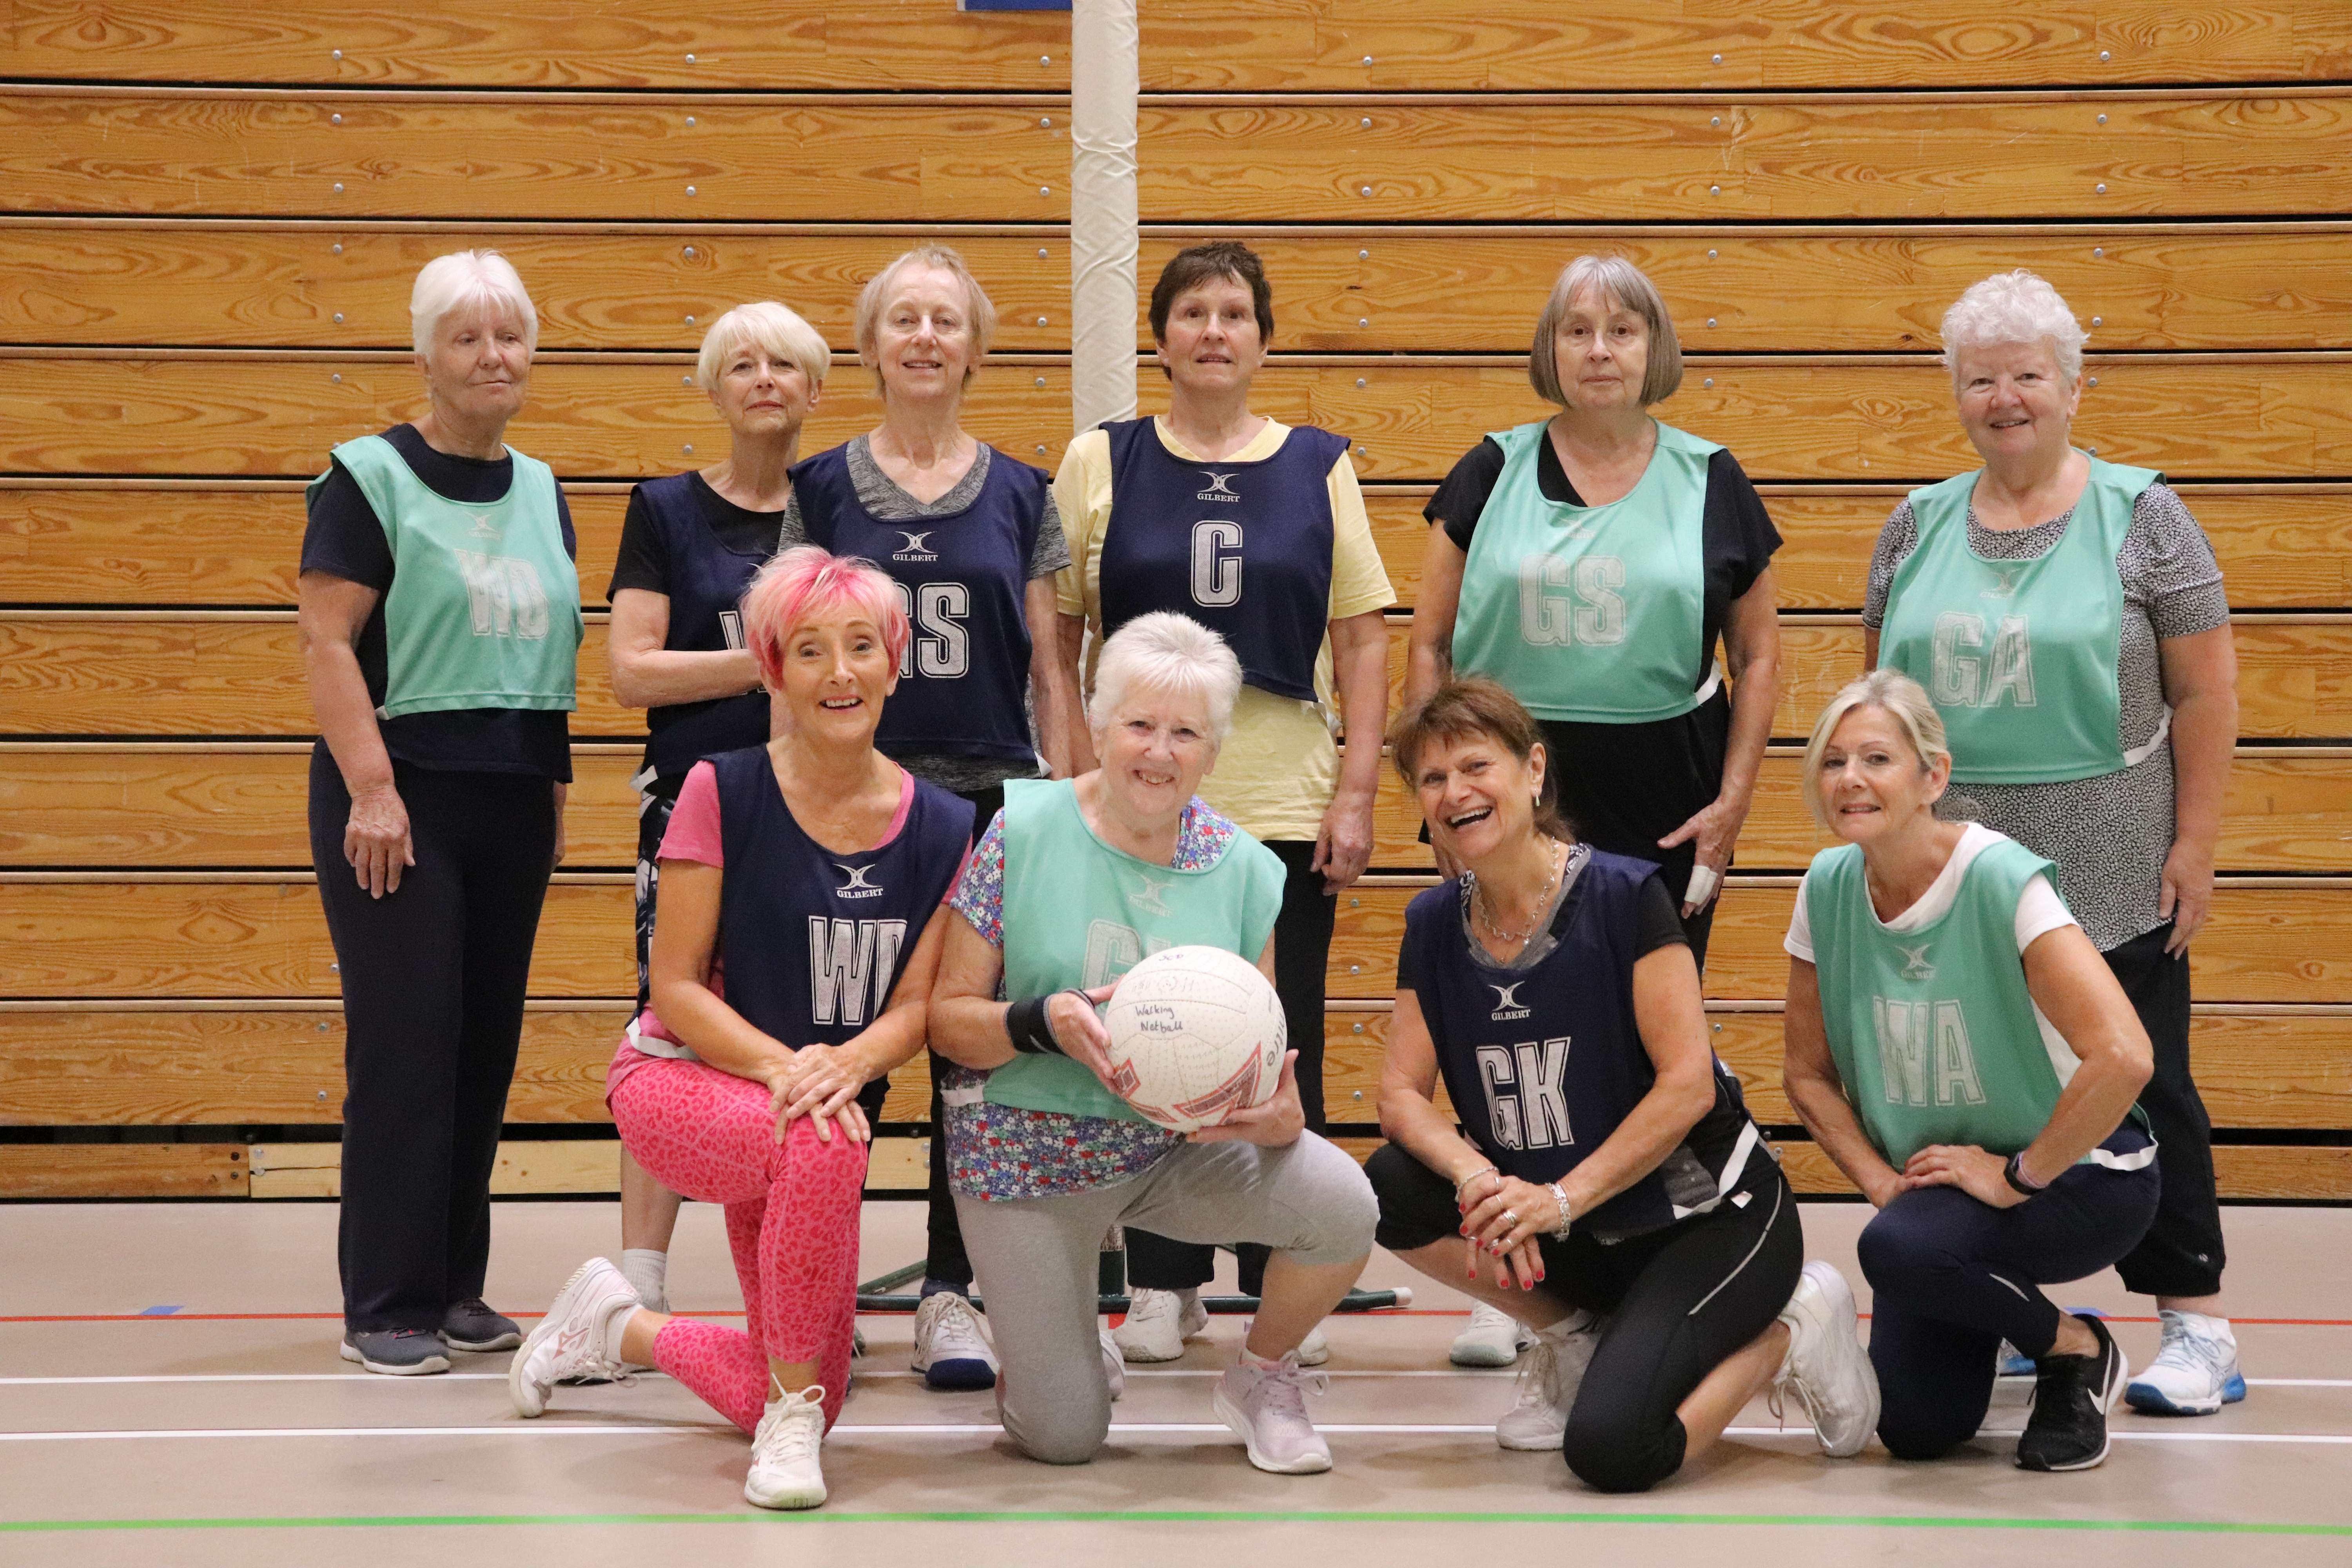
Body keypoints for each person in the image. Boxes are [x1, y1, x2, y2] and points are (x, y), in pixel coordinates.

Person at [508, 548, 974, 1510]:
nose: (838, 672)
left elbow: (919, 1009)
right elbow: (674, 986)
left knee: (815, 1336)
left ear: (895, 660)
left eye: (859, 646)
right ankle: (790, 1418)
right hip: (677, 1080)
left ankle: (619, 1325)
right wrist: (792, 1068)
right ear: (772, 669)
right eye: (809, 651)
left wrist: (841, 1062)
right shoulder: (723, 788)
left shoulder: (945, 821)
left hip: (805, 1102)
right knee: (827, 1136)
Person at [1867, 270, 2241, 1416]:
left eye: (2029, 374)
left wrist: (2197, 840)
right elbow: (1881, 699)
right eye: (1982, 379)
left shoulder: (2145, 518)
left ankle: (2197, 1322)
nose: (2005, 397)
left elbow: (2210, 691)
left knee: (2149, 1079)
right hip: (1961, 863)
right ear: (1957, 395)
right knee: (1993, 1092)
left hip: (2117, 856)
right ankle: (2011, 1302)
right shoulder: (1915, 524)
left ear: (2074, 386)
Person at [1403, 252, 1781, 1365]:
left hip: (1665, 790)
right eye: (1578, 331)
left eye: (1623, 330)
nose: (1601, 350)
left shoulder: (1713, 475)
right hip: (1511, 785)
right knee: (1500, 1029)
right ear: (1550, 350)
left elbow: (1759, 655)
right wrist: (1437, 795)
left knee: (1643, 1034)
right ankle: (1517, 1269)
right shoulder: (1492, 469)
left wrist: (1736, 797)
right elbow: (1426, 635)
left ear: (1654, 349)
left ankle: (1658, 1245)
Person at [1369, 678, 1869, 1492]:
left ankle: (1796, 1330)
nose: (1455, 792)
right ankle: (1574, 1333)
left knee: (1611, 1449)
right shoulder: (1432, 922)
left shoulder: (1626, 895)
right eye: (1431, 778)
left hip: (1707, 1219)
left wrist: (1557, 1199)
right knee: (1392, 1185)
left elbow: (1686, 1089)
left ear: (1534, 770)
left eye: (1475, 765)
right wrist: (1481, 1177)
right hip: (1578, 1231)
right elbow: (1397, 1095)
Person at [929, 612, 1379, 1475]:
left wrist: (1276, 1117)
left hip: (1171, 1151)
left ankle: (1260, 1375)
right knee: (1064, 1437)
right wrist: (1040, 1021)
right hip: (1024, 1154)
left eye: (1186, 732)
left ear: (1215, 750)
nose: (1159, 751)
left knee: (1345, 1202)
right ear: (1099, 724)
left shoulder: (1247, 869)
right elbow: (948, 1021)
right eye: (1139, 724)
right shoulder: (1021, 829)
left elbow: (1260, 1057)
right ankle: (1057, 1346)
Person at [1052, 240, 1394, 1365]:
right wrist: (1070, 769)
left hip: (1278, 801)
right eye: (1191, 312)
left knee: (1275, 1032)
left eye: (1235, 313)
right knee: (1155, 1031)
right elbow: (1054, 630)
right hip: (1140, 800)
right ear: (1160, 340)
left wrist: (1354, 792)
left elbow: (1360, 636)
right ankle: (1161, 1280)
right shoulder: (1100, 461)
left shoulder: (1318, 464)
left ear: (1262, 338)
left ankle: (1289, 1271)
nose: (1213, 330)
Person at [783, 246, 1080, 1387]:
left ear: (974, 347)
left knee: (966, 1052)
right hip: (856, 791)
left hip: (988, 796)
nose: (923, 337)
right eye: (902, 319)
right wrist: (787, 786)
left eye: (945, 320)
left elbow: (1053, 659)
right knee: (844, 1045)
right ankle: (817, 1282)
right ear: (870, 348)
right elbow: (785, 653)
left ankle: (955, 1292)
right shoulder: (818, 489)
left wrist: (1063, 792)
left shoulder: (1020, 488)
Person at [298, 250, 581, 1376]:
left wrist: (553, 799)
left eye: (510, 336)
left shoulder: (544, 483)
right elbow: (327, 645)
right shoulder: (368, 477)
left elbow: (546, 653)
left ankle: (458, 1285)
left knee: (482, 1044)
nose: (492, 356)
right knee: (409, 1041)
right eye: (467, 338)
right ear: (425, 355)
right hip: (398, 797)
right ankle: (389, 1299)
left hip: (511, 794)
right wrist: (373, 788)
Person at [1782, 670, 2159, 1470]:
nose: (1852, 777)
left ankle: (2074, 1349)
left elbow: (2124, 1054)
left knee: (1899, 1251)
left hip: (2083, 1170)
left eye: (1878, 757)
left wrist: (2017, 1175)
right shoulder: (1827, 888)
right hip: (1944, 1194)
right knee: (1918, 1428)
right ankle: (1989, 1304)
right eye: (1834, 760)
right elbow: (1807, 1075)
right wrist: (1882, 1183)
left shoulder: (1998, 876)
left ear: (1934, 777)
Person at [603, 301, 831, 1319]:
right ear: (712, 387)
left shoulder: (834, 508)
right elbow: (630, 672)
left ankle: (792, 1283)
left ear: (817, 387)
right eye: (742, 364)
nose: (765, 379)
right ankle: (637, 1284)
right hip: (692, 811)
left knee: (795, 1034)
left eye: (786, 363)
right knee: (671, 1021)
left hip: (812, 810)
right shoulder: (664, 509)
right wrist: (766, 657)